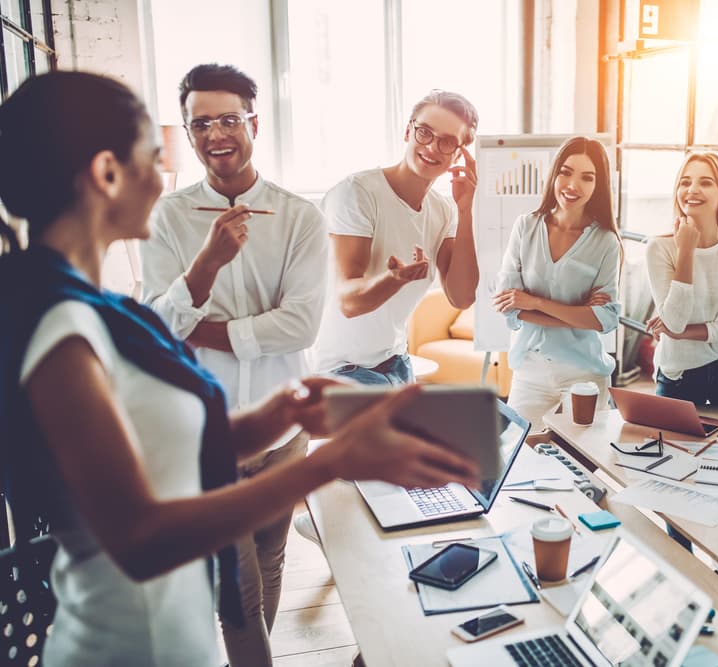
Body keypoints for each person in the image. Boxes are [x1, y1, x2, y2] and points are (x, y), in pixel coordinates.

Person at [0, 70, 478, 667]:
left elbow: (167, 447)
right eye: (156, 154)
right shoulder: (60, 327)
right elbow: (140, 539)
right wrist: (330, 462)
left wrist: (280, 411)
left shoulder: (98, 309)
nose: (168, 176)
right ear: (106, 174)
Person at [139, 64, 327, 666]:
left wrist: (205, 328)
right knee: (236, 591)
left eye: (228, 118)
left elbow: (301, 325)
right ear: (190, 134)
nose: (215, 133)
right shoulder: (167, 219)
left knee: (270, 562)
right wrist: (207, 267)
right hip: (208, 437)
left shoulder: (300, 217)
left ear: (253, 123)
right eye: (200, 123)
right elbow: (158, 331)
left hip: (284, 426)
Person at [312, 89, 480, 386]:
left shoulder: (442, 210)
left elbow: (461, 296)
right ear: (408, 131)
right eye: (424, 132)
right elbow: (348, 302)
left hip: (397, 363)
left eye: (447, 142)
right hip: (343, 370)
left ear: (459, 154)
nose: (431, 147)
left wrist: (466, 210)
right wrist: (394, 279)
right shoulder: (357, 193)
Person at [493, 136, 621, 430]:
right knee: (519, 459)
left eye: (587, 177)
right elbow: (508, 307)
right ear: (554, 174)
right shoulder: (526, 226)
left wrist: (534, 303)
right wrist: (578, 314)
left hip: (584, 374)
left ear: (597, 185)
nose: (573, 185)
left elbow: (606, 319)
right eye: (566, 172)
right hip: (530, 369)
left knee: (582, 467)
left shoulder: (605, 242)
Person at [644, 152, 718, 417]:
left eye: (705, 183)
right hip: (678, 376)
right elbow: (673, 322)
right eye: (685, 182)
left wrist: (685, 333)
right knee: (671, 453)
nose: (692, 190)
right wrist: (686, 251)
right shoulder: (659, 248)